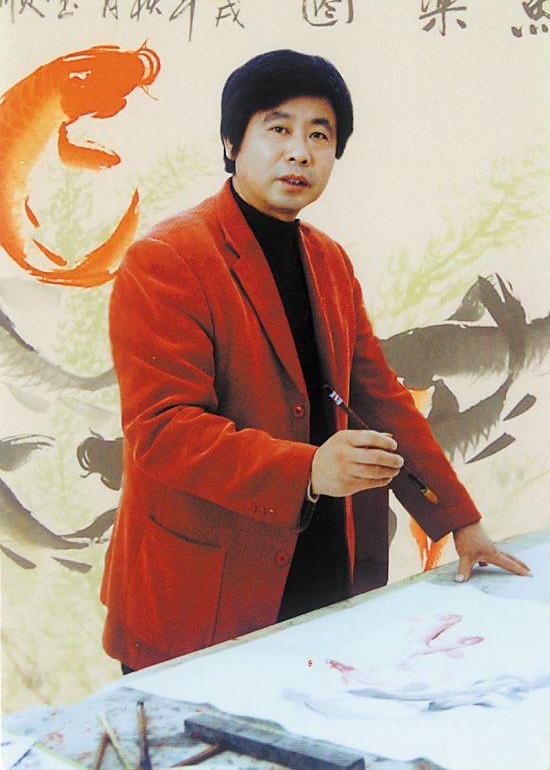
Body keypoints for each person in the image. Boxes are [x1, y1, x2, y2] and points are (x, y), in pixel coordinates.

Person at [100, 49, 530, 673]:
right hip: (203, 595)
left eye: (319, 135)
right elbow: (164, 431)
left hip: (321, 571)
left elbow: (379, 398)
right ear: (232, 143)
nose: (299, 152)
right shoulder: (166, 259)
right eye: (278, 128)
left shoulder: (328, 259)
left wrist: (460, 522)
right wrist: (307, 469)